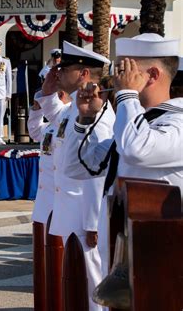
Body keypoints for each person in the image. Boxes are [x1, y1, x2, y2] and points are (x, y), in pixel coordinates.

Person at [63, 33, 183, 280]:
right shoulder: (134, 123)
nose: (117, 80)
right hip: (125, 254)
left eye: (125, 71)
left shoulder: (177, 122)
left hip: (161, 260)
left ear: (152, 75)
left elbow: (137, 150)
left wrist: (127, 95)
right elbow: (77, 168)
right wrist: (85, 118)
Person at [36, 41, 114, 311]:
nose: (57, 72)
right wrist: (47, 94)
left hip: (83, 218)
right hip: (69, 212)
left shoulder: (98, 114)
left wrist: (93, 223)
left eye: (64, 68)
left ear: (83, 74)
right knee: (75, 285)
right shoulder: (74, 109)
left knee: (92, 284)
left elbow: (97, 170)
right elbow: (55, 120)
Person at [27, 89, 70, 308]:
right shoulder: (53, 124)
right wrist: (35, 108)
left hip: (59, 201)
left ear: (61, 94)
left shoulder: (67, 118)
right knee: (45, 264)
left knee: (59, 265)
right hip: (45, 200)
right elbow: (35, 131)